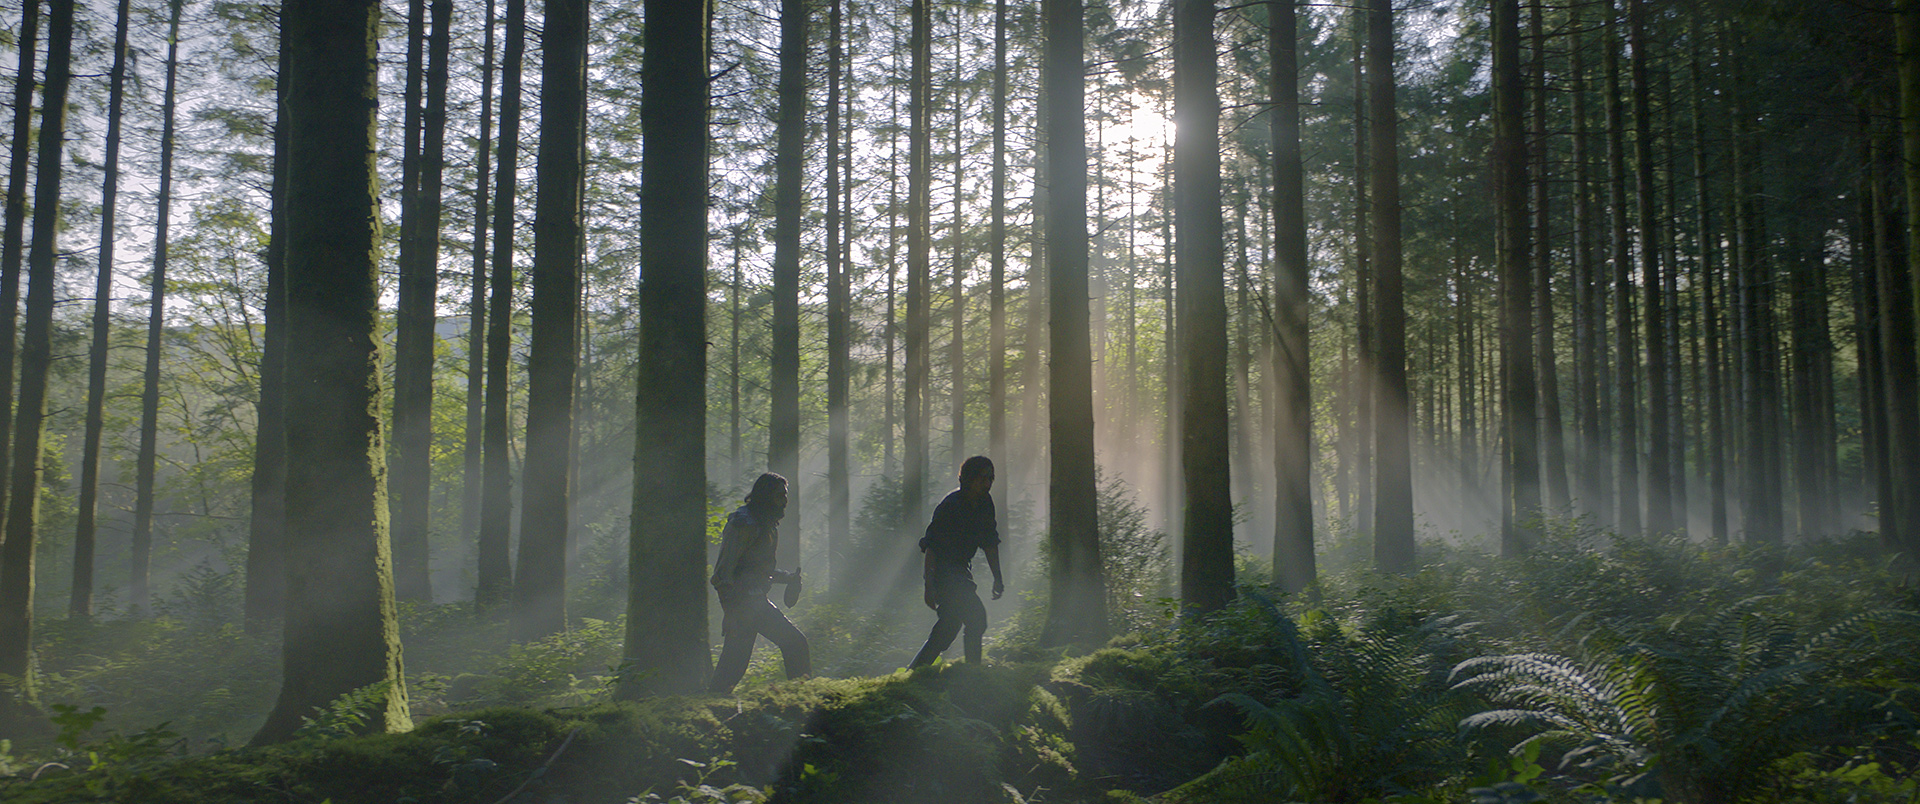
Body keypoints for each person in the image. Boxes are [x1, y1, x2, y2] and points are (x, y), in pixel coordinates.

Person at [708, 472, 811, 694]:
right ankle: (803, 700)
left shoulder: (765, 523)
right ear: (765, 496)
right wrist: (731, 613)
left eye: (785, 495)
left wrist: (787, 578)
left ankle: (707, 710)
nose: (784, 500)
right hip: (745, 605)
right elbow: (723, 574)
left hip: (753, 602)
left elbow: (754, 569)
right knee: (795, 644)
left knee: (732, 669)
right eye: (779, 495)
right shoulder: (743, 523)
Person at [909, 456, 1005, 668]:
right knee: (977, 618)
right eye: (983, 479)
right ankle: (973, 673)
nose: (988, 484)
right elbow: (931, 547)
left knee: (948, 628)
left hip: (960, 570)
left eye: (991, 479)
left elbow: (990, 541)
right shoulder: (949, 506)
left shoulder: (985, 504)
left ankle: (913, 673)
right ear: (969, 479)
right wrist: (929, 585)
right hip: (944, 572)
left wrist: (998, 577)